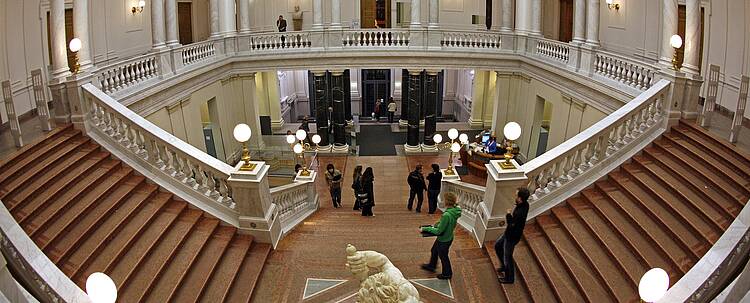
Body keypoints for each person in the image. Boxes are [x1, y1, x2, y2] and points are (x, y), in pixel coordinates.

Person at [420, 192, 462, 279]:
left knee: (443, 256)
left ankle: (447, 273)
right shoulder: (455, 210)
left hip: (443, 239)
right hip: (448, 237)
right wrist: (438, 224)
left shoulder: (447, 215)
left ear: (447, 202)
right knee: (434, 250)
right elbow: (444, 224)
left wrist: (425, 229)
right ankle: (432, 265)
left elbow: (439, 231)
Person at [494, 188, 530, 284]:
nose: (515, 196)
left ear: (520, 198)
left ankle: (509, 278)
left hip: (511, 237)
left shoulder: (520, 213)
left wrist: (508, 214)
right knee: (497, 246)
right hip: (509, 233)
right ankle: (504, 267)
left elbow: (511, 224)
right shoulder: (525, 204)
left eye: (517, 195)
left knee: (508, 257)